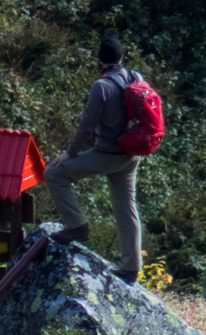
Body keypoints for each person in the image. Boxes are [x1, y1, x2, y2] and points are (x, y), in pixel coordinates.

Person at [44, 34, 144, 283]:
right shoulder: (136, 77)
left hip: (108, 154)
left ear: (100, 59)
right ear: (120, 57)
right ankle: (131, 269)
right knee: (126, 208)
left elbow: (87, 126)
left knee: (53, 173)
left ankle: (76, 225)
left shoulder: (101, 86)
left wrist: (70, 153)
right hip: (132, 155)